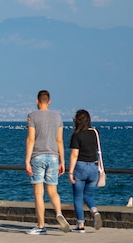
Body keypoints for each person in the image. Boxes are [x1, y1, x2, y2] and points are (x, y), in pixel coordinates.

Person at [25, 90, 70, 234]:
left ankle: (41, 226)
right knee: (53, 191)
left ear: (37, 100)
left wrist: (27, 160)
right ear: (49, 101)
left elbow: (31, 139)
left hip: (37, 156)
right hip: (53, 157)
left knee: (39, 193)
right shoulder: (57, 117)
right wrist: (62, 161)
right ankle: (58, 212)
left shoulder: (32, 116)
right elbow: (60, 140)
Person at [68, 109, 103, 232]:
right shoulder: (95, 133)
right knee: (88, 195)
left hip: (80, 167)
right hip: (93, 167)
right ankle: (94, 211)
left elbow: (74, 155)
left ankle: (80, 225)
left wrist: (71, 172)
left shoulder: (77, 135)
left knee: (78, 197)